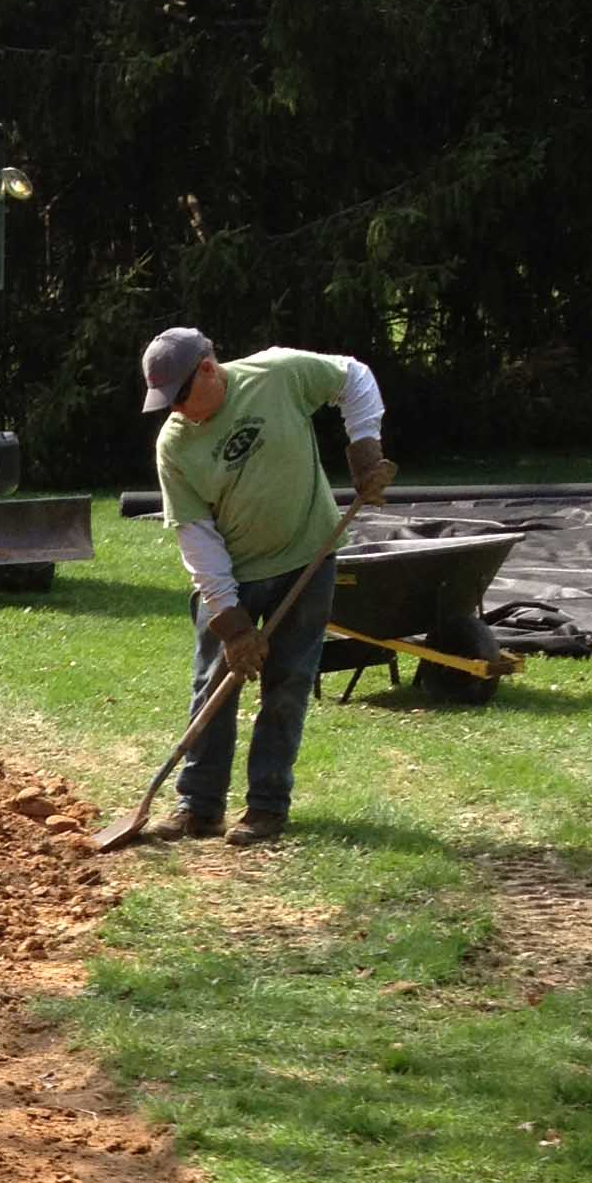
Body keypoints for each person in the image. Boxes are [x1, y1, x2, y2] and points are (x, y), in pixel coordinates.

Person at [138, 326, 396, 845]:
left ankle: (266, 809)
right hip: (231, 575)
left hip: (307, 559)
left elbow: (355, 377)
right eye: (168, 402)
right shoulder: (175, 445)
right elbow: (198, 540)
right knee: (212, 684)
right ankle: (198, 806)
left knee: (288, 686)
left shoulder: (279, 373)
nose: (178, 411)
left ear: (209, 369)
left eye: (182, 396)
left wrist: (365, 451)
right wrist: (232, 624)